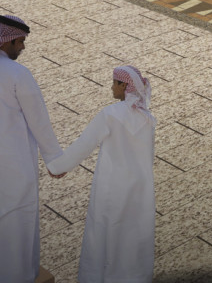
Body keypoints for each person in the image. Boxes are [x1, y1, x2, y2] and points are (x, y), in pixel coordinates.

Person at [45, 66, 156, 283]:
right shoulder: (148, 118)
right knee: (133, 235)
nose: (111, 87)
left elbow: (84, 144)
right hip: (140, 188)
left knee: (106, 233)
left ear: (124, 86)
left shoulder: (111, 114)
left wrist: (58, 167)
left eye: (115, 83)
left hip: (112, 187)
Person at [0, 15, 63, 283]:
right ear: (8, 40)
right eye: (21, 42)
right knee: (17, 217)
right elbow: (38, 120)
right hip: (13, 162)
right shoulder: (17, 74)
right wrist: (55, 160)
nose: (22, 48)